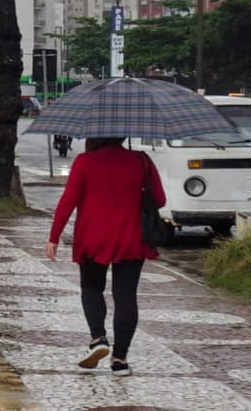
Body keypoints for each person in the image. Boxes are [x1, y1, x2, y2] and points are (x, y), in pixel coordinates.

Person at [45, 137, 166, 377]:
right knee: (125, 296)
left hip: (93, 236)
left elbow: (68, 200)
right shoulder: (141, 161)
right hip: (132, 238)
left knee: (91, 289)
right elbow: (160, 200)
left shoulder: (85, 162)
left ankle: (98, 338)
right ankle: (120, 360)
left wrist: (54, 237)